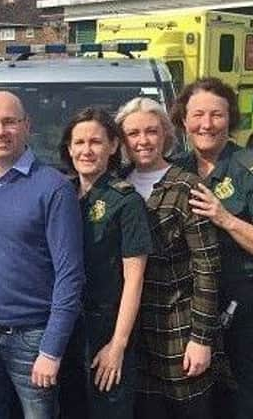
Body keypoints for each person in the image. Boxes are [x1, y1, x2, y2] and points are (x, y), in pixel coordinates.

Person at [171, 77, 253, 419]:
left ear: (230, 119)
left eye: (217, 114)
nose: (206, 124)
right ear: (183, 120)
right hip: (205, 315)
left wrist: (224, 217)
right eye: (197, 114)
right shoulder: (179, 169)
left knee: (251, 406)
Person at [0, 91, 85, 419]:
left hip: (33, 336)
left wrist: (52, 347)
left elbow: (70, 273)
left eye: (9, 122)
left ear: (26, 126)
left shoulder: (53, 187)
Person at [114, 97, 221, 419]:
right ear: (121, 140)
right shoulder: (116, 185)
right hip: (132, 333)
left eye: (151, 131)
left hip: (177, 328)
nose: (143, 141)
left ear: (165, 135)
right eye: (133, 133)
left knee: (186, 409)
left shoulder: (187, 187)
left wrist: (201, 339)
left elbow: (207, 267)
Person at [58, 107, 152, 419]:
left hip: (105, 329)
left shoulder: (126, 201)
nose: (86, 150)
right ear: (69, 147)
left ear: (113, 146)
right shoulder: (62, 194)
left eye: (96, 142)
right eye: (79, 142)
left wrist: (117, 345)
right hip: (66, 327)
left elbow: (134, 280)